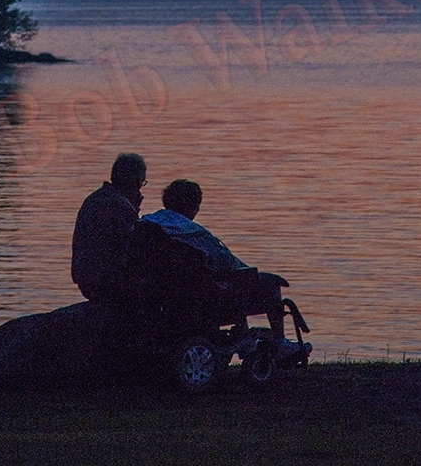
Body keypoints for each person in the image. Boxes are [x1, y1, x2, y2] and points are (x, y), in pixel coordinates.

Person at [139, 179, 305, 359]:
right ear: (194, 207)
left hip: (160, 295)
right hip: (202, 300)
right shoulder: (193, 234)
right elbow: (229, 264)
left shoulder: (146, 224)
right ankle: (280, 344)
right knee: (270, 283)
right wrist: (251, 273)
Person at [71, 153, 146, 304]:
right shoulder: (120, 207)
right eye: (142, 182)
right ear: (137, 182)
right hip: (107, 283)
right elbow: (133, 248)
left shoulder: (94, 199)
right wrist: (134, 211)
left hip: (86, 281)